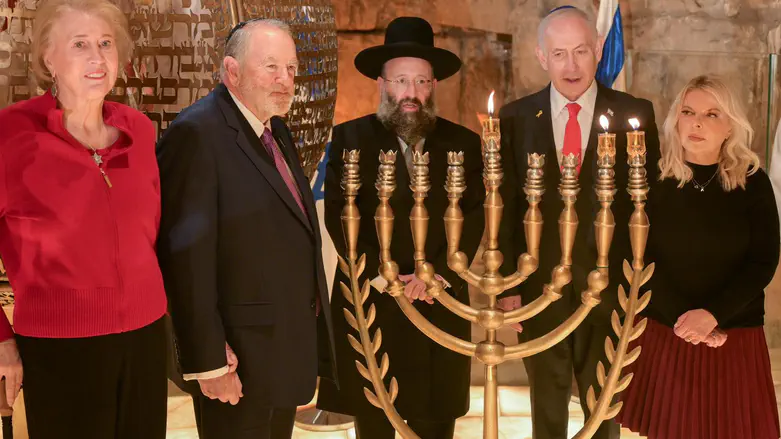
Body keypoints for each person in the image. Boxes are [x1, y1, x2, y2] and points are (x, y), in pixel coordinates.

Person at [156, 18, 337, 439]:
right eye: (270, 67)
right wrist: (209, 361)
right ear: (231, 72)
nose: (286, 80)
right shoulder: (197, 133)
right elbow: (185, 260)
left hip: (278, 354)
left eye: (291, 69)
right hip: (236, 361)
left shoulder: (275, 128)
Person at [0, 0, 169, 437]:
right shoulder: (11, 134)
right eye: (80, 44)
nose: (98, 58)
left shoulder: (139, 129)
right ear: (47, 58)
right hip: (59, 347)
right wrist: (0, 339)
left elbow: (153, 234)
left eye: (106, 43)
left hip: (146, 338)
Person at [316, 16, 485, 439]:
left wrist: (437, 277)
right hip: (372, 303)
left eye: (422, 82)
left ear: (433, 86)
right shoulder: (347, 140)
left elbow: (475, 215)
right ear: (381, 82)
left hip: (439, 303)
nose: (412, 94)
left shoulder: (462, 143)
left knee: (435, 421)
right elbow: (341, 216)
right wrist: (386, 276)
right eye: (401, 81)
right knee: (375, 420)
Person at [497, 6, 661, 439]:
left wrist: (641, 284)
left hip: (611, 286)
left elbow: (647, 206)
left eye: (582, 51)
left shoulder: (635, 116)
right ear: (541, 56)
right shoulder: (514, 119)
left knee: (604, 404)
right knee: (545, 404)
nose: (571, 66)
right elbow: (508, 207)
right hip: (540, 286)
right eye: (560, 53)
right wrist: (510, 286)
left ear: (600, 49)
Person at [616, 74, 780, 439]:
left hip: (732, 332)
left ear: (730, 127)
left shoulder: (753, 182)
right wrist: (686, 322)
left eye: (712, 114)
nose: (698, 122)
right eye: (688, 111)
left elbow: (763, 261)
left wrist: (712, 316)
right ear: (676, 119)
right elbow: (637, 257)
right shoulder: (652, 180)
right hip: (667, 329)